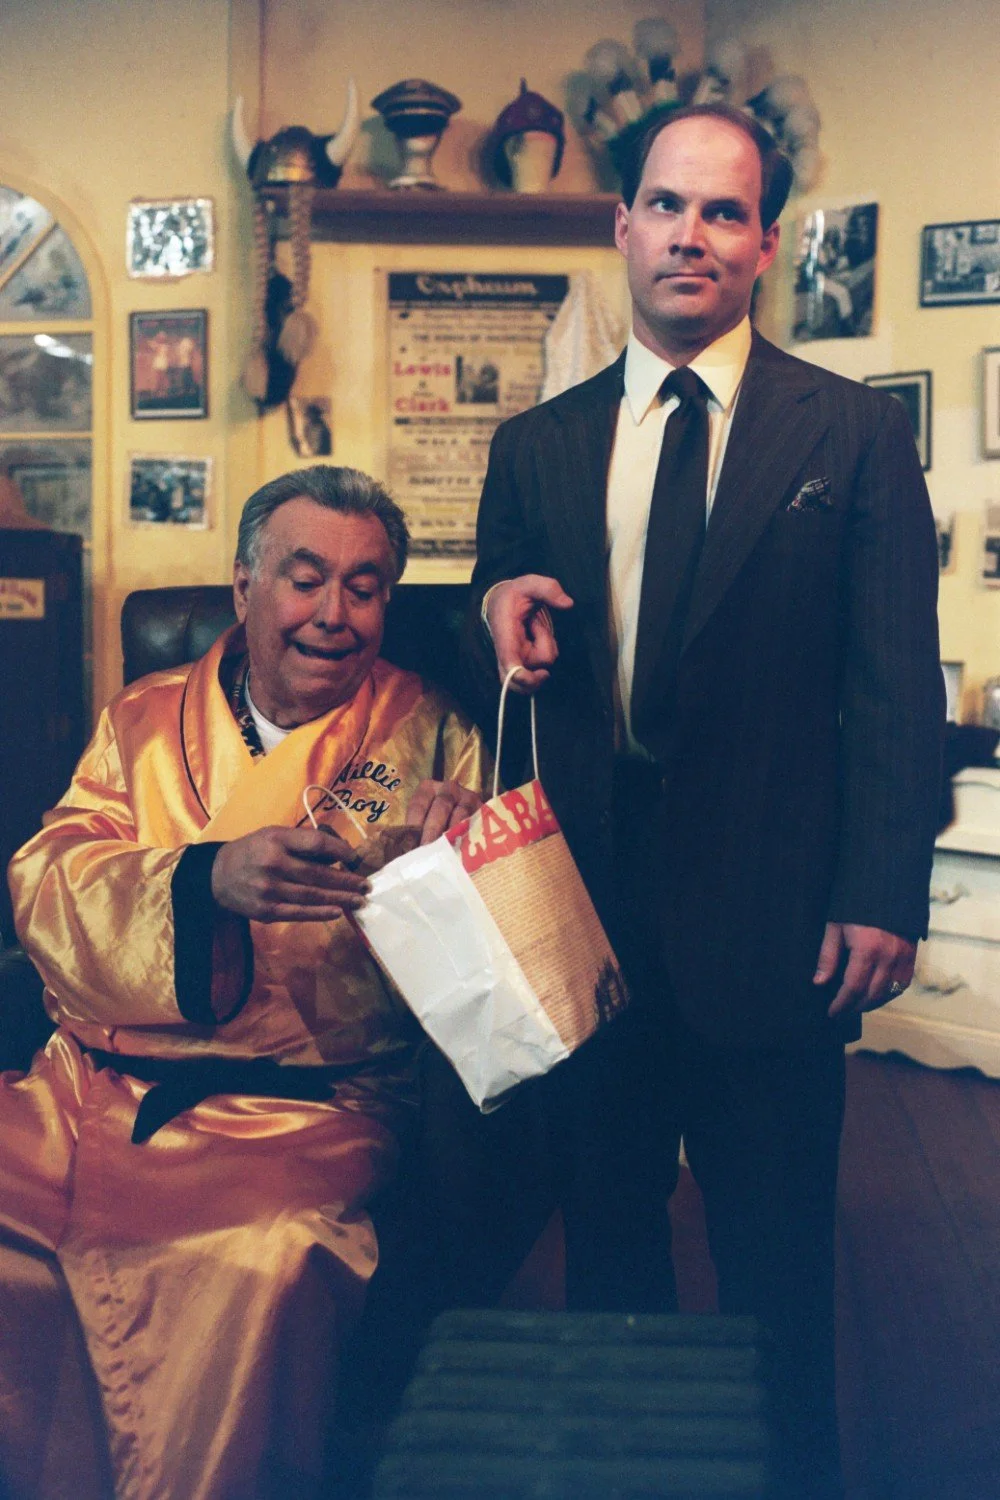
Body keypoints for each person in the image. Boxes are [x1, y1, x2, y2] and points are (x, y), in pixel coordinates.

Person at [467, 104, 943, 1496]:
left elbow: (892, 689)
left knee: (778, 1262)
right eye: (666, 205)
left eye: (723, 213)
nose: (690, 234)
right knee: (608, 1249)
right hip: (586, 932)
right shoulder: (534, 447)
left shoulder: (851, 435)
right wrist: (492, 605)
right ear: (622, 225)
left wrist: (881, 891)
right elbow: (488, 635)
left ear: (766, 244)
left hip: (781, 927)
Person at [1, 465, 487, 1499]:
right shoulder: (140, 719)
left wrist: (461, 861)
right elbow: (46, 876)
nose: (333, 615)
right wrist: (201, 878)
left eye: (365, 587)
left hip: (302, 1109)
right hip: (89, 1093)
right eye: (304, 579)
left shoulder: (431, 734)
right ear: (243, 587)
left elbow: (493, 970)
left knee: (262, 1259)